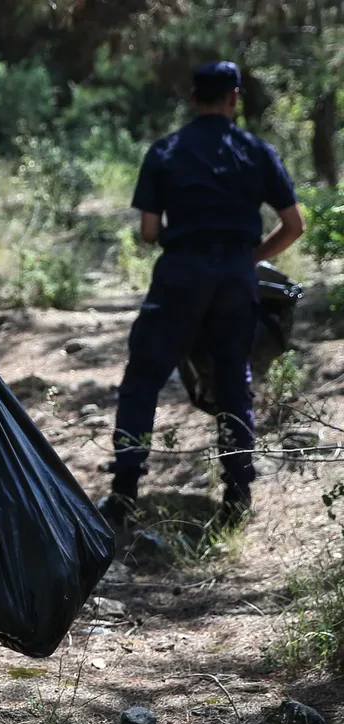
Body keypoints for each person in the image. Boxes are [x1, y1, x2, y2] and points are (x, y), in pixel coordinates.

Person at [102, 61, 305, 527]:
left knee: (143, 379)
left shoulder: (165, 151)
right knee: (234, 381)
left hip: (179, 275)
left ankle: (124, 494)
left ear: (193, 99)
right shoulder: (258, 152)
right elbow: (294, 225)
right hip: (235, 278)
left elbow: (150, 233)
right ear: (235, 97)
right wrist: (247, 257)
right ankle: (237, 494)